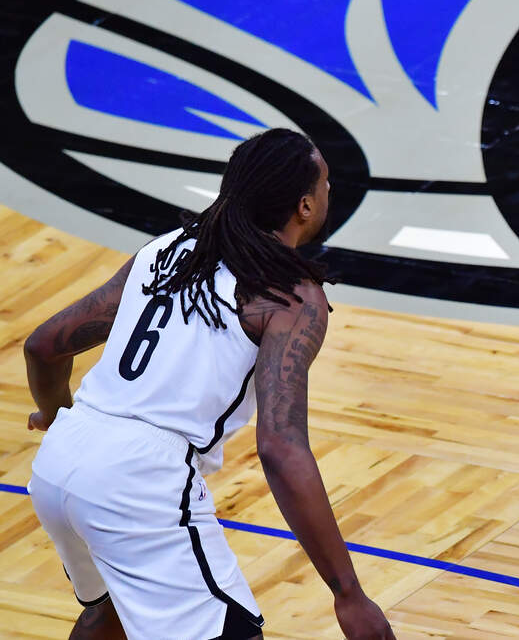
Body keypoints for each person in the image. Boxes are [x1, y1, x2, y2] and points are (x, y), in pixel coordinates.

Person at [24, 128, 395, 640]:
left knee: (110, 616)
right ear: (305, 206)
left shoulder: (167, 250)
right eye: (326, 182)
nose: (330, 190)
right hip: (140, 482)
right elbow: (281, 448)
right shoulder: (289, 297)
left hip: (61, 461)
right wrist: (348, 593)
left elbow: (44, 346)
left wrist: (53, 414)